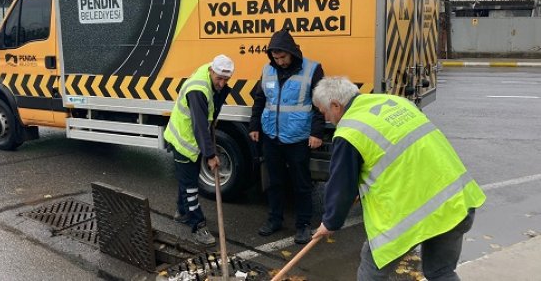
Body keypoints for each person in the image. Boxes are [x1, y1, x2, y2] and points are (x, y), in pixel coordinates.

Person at [310, 77, 486, 280]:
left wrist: (330, 222)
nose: (326, 118)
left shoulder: (349, 131)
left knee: (371, 274)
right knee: (441, 273)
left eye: (324, 112)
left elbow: (342, 186)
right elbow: (400, 156)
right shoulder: (396, 102)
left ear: (335, 105)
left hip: (412, 213)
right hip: (456, 200)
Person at [249, 29, 326, 244]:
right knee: (274, 182)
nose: (280, 61)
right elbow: (259, 99)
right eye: (276, 58)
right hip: (271, 137)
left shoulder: (312, 69)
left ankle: (303, 225)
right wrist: (254, 126)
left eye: (283, 57)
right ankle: (275, 219)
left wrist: (316, 132)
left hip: (298, 138)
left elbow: (320, 104)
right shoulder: (267, 70)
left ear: (292, 52)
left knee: (301, 184)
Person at [163, 54, 234, 246]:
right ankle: (198, 225)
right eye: (219, 78)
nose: (221, 83)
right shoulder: (198, 89)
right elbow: (200, 126)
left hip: (192, 138)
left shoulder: (209, 77)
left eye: (226, 80)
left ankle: (182, 212)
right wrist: (210, 155)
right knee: (191, 185)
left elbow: (208, 115)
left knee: (187, 179)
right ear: (212, 71)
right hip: (184, 140)